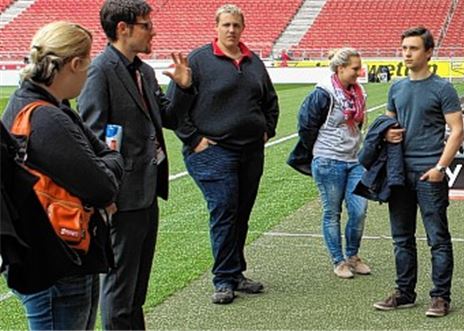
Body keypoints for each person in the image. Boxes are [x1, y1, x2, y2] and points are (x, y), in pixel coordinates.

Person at [77, 1, 193, 328]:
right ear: (123, 29)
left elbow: (168, 117)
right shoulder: (99, 71)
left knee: (136, 290)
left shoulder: (143, 71)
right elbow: (93, 136)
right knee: (118, 289)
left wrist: (183, 88)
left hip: (146, 192)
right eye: (146, 25)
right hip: (120, 199)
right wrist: (106, 193)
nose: (152, 31)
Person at [2, 21, 124, 330]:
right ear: (75, 63)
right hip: (58, 259)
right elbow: (102, 186)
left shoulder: (33, 105)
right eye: (88, 62)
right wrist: (108, 170)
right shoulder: (46, 117)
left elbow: (105, 160)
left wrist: (107, 165)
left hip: (46, 253)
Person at [168, 4, 279, 305]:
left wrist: (268, 128)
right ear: (216, 27)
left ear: (243, 28)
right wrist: (193, 139)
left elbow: (270, 99)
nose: (231, 30)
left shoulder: (253, 61)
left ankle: (236, 272)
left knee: (241, 212)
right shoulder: (198, 61)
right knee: (225, 209)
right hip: (214, 151)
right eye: (226, 25)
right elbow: (174, 109)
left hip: (251, 151)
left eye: (236, 25)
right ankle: (223, 278)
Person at [371, 26, 464, 318]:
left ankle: (440, 297)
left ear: (428, 52)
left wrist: (440, 168)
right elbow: (388, 126)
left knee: (437, 237)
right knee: (401, 238)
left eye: (413, 48)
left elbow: (457, 131)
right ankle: (404, 292)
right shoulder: (396, 88)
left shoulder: (442, 88)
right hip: (399, 173)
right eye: (404, 48)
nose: (407, 54)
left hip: (429, 174)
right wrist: (386, 136)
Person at [288, 48, 371, 279]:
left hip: (354, 161)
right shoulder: (322, 94)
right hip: (328, 162)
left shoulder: (359, 91)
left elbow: (360, 124)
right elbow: (306, 126)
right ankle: (339, 260)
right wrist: (320, 152)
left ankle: (353, 256)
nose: (359, 72)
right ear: (341, 68)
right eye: (355, 68)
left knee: (359, 210)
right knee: (332, 212)